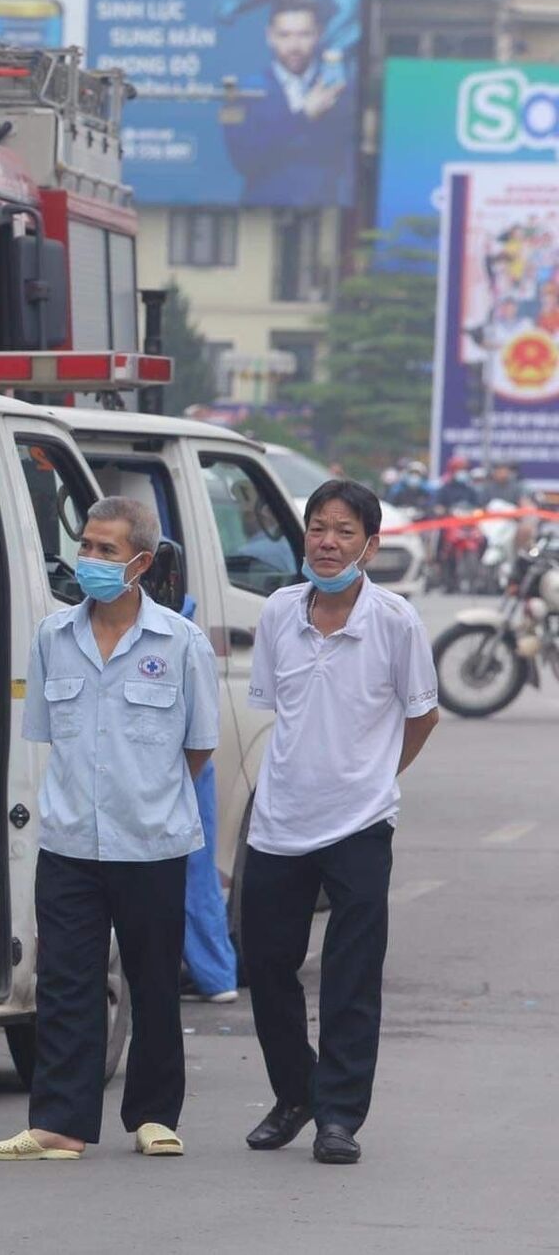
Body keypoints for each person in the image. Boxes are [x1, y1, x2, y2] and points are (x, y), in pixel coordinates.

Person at [0, 497, 218, 1162]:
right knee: (66, 986)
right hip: (71, 843)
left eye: (107, 551)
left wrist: (148, 797)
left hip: (152, 841)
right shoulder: (54, 637)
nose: (91, 560)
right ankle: (60, 1123)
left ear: (140, 562)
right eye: (86, 545)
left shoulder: (180, 642)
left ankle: (153, 1117)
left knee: (154, 983)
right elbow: (48, 738)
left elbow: (198, 747)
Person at [240, 479, 439, 1166]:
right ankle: (295, 1093)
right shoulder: (277, 613)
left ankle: (340, 1117)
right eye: (318, 528)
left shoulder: (395, 620)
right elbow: (274, 706)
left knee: (351, 975)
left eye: (343, 531)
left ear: (371, 545)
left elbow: (423, 714)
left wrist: (378, 778)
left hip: (360, 824)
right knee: (266, 964)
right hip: (279, 820)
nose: (327, 542)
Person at [222, 0, 354, 205]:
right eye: (285, 35)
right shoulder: (241, 92)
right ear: (269, 36)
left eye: (304, 35)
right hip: (260, 211)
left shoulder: (340, 90)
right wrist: (303, 117)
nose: (294, 46)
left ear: (319, 34)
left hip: (323, 208)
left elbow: (345, 159)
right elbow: (244, 160)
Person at [177, 595, 238, 1005]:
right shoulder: (184, 626)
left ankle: (214, 974)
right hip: (185, 769)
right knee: (198, 873)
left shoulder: (174, 632)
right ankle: (214, 972)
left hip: (178, 770)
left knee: (192, 873)